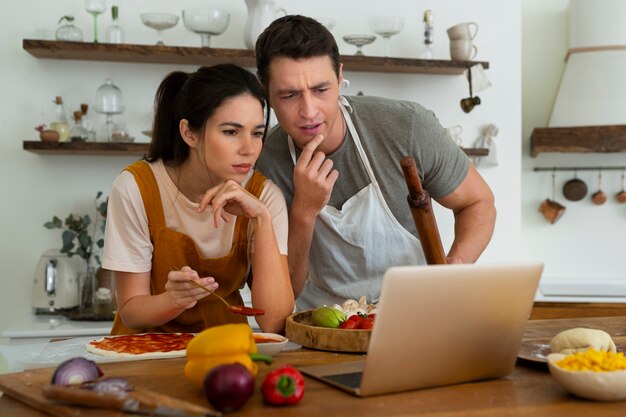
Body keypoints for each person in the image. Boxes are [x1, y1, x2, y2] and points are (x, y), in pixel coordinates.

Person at [254, 15, 496, 310]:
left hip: (416, 312)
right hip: (320, 324)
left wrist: (450, 272)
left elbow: (478, 202)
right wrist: (304, 212)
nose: (309, 111)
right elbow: (283, 294)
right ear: (266, 91)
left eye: (321, 90)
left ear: (340, 77)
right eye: (290, 95)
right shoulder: (263, 164)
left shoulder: (407, 126)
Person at [102, 64, 294, 335]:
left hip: (225, 351)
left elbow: (274, 321)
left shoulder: (264, 197)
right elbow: (131, 312)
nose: (249, 149)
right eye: (231, 131)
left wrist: (261, 219)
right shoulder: (136, 188)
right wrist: (173, 300)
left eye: (257, 133)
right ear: (189, 133)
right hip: (144, 353)